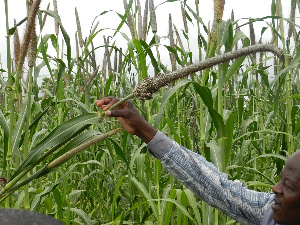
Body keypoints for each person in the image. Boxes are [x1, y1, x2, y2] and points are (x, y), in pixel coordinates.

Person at [96, 97, 300, 225]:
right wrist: (143, 130)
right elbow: (220, 190)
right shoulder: (270, 212)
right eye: (280, 180)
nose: (275, 189)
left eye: (288, 185)